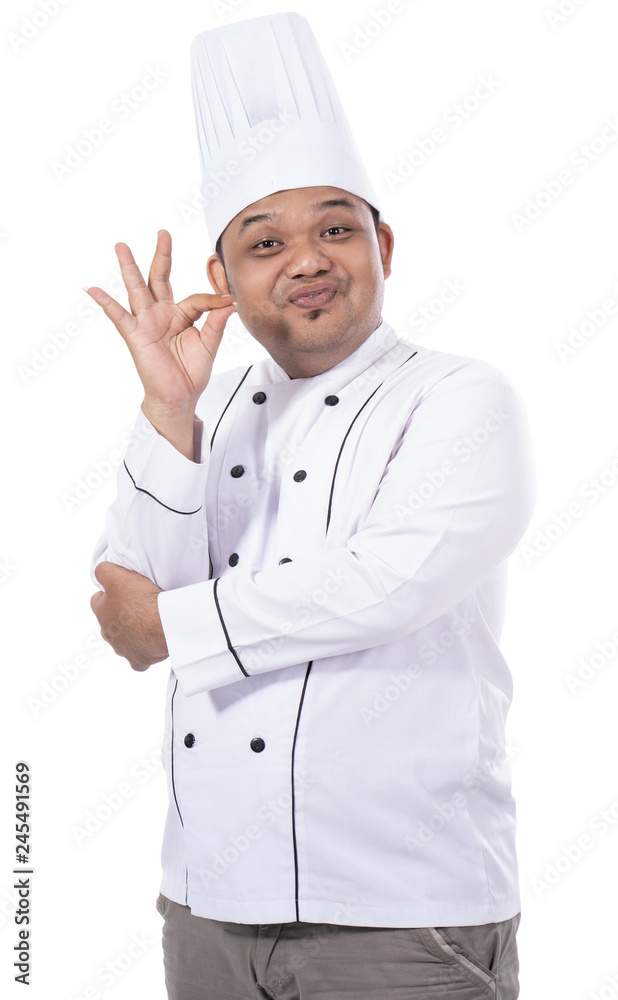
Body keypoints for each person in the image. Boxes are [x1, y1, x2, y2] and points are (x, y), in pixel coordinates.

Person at [87, 12, 536, 1000]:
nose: (308, 258)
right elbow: (120, 609)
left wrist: (168, 621)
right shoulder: (198, 414)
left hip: (402, 913)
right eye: (265, 241)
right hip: (204, 908)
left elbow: (379, 584)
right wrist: (168, 406)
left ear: (383, 242)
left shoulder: (462, 396)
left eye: (338, 227)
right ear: (223, 280)